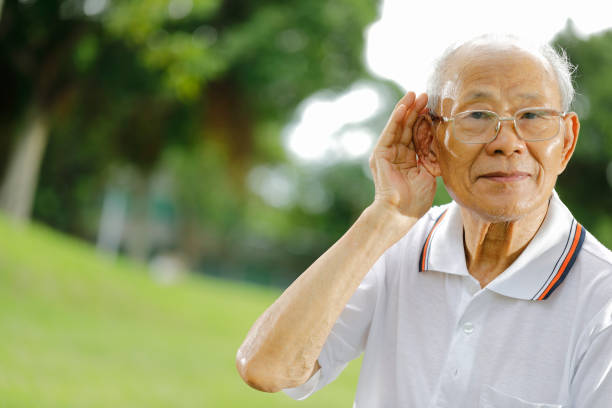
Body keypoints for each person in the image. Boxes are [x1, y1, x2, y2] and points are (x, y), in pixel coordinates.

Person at [236, 34, 612, 407]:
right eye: (477, 116)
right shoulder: (398, 243)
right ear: (430, 142)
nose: (507, 142)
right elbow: (268, 368)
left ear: (565, 143)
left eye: (532, 116)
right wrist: (387, 214)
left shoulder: (603, 300)